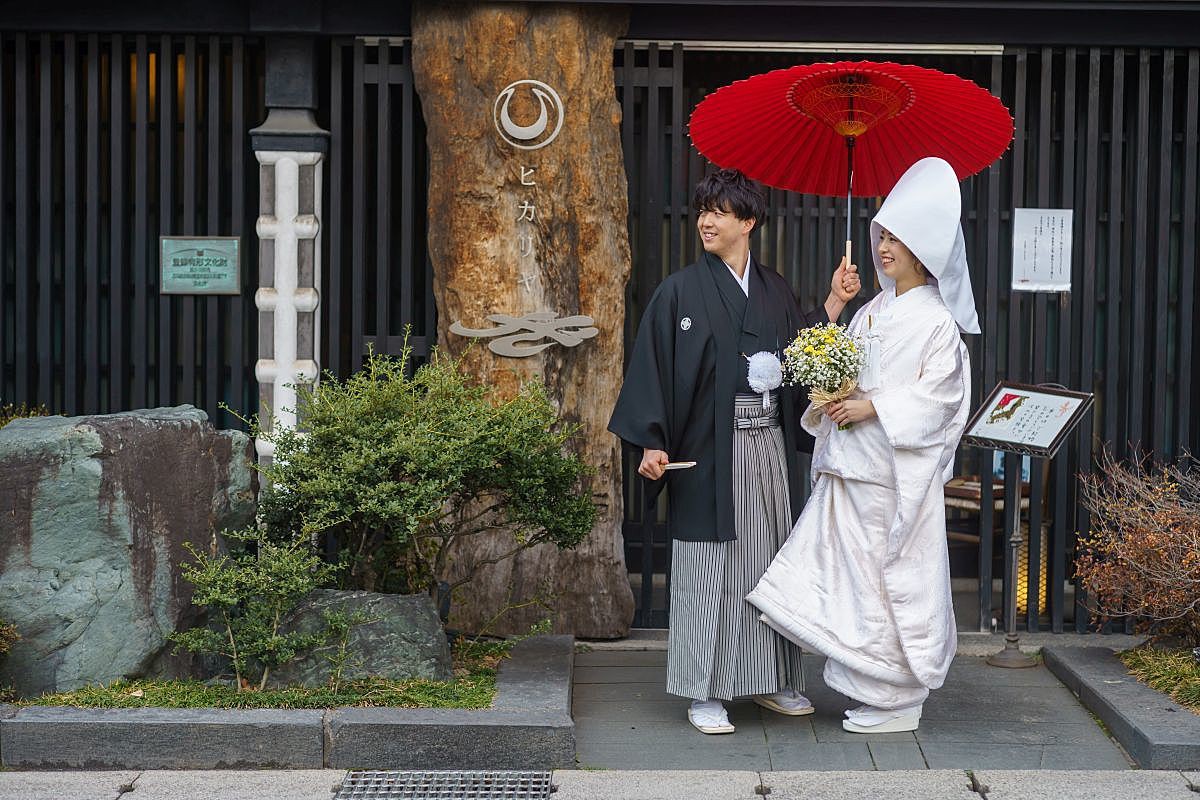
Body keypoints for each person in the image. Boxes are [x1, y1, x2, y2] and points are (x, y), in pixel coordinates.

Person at [608, 168, 861, 735]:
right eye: (703, 211)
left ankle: (772, 680)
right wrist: (652, 440)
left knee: (770, 562)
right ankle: (704, 690)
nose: (706, 221)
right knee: (709, 569)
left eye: (719, 212)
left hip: (767, 444)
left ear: (748, 223)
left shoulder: (773, 289)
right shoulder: (680, 291)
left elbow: (801, 354)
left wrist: (833, 304)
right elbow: (653, 367)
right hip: (707, 451)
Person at [747, 157, 980, 734]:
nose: (885, 248)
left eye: (897, 239)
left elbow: (941, 399)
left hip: (893, 473)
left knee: (890, 580)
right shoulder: (873, 309)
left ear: (924, 249)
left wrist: (871, 405)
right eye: (883, 236)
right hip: (853, 463)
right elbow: (844, 369)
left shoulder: (936, 322)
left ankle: (899, 696)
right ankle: (870, 687)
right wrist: (833, 394)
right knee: (850, 580)